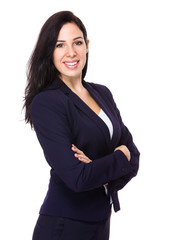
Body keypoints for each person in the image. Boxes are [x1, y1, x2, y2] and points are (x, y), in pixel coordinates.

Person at [24, 11, 140, 240]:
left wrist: (100, 169)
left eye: (77, 42)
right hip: (65, 225)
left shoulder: (102, 93)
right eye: (60, 45)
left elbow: (134, 155)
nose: (71, 52)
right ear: (50, 52)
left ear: (87, 45)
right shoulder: (47, 103)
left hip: (101, 221)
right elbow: (77, 178)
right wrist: (119, 157)